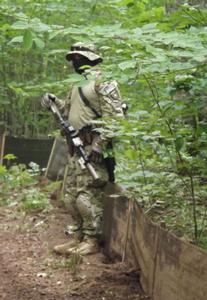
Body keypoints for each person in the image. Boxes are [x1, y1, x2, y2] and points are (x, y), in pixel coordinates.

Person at [41, 42, 124, 256]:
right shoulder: (77, 84)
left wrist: (99, 145)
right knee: (69, 196)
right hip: (75, 148)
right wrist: (53, 102)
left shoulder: (103, 81)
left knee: (86, 197)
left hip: (93, 149)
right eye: (73, 58)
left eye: (79, 58)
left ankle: (91, 240)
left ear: (91, 58)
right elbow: (67, 112)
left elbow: (115, 119)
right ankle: (77, 236)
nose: (75, 62)